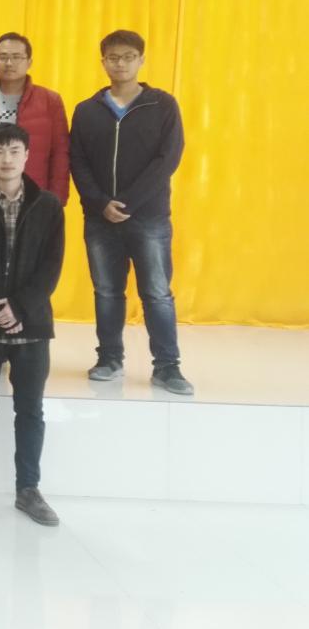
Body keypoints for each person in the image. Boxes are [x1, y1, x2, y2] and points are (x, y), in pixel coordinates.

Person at [69, 30, 192, 395]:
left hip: (149, 217)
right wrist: (99, 203)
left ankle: (167, 367)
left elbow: (168, 158)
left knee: (157, 293)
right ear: (103, 62)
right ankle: (109, 358)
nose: (120, 64)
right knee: (107, 291)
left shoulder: (162, 105)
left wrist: (129, 203)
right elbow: (78, 161)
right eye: (113, 57)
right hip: (99, 219)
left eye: (127, 57)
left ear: (141, 60)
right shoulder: (87, 110)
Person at [0, 124, 66, 527]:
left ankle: (28, 489)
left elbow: (52, 265)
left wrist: (19, 307)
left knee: (30, 410)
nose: (6, 159)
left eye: (14, 151)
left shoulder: (49, 206)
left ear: (27, 155)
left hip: (32, 327)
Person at [0, 33, 70, 203]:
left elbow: (60, 154)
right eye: (3, 57)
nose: (9, 63)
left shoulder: (50, 101)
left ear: (29, 62)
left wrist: (56, 200)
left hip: (36, 195)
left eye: (16, 57)